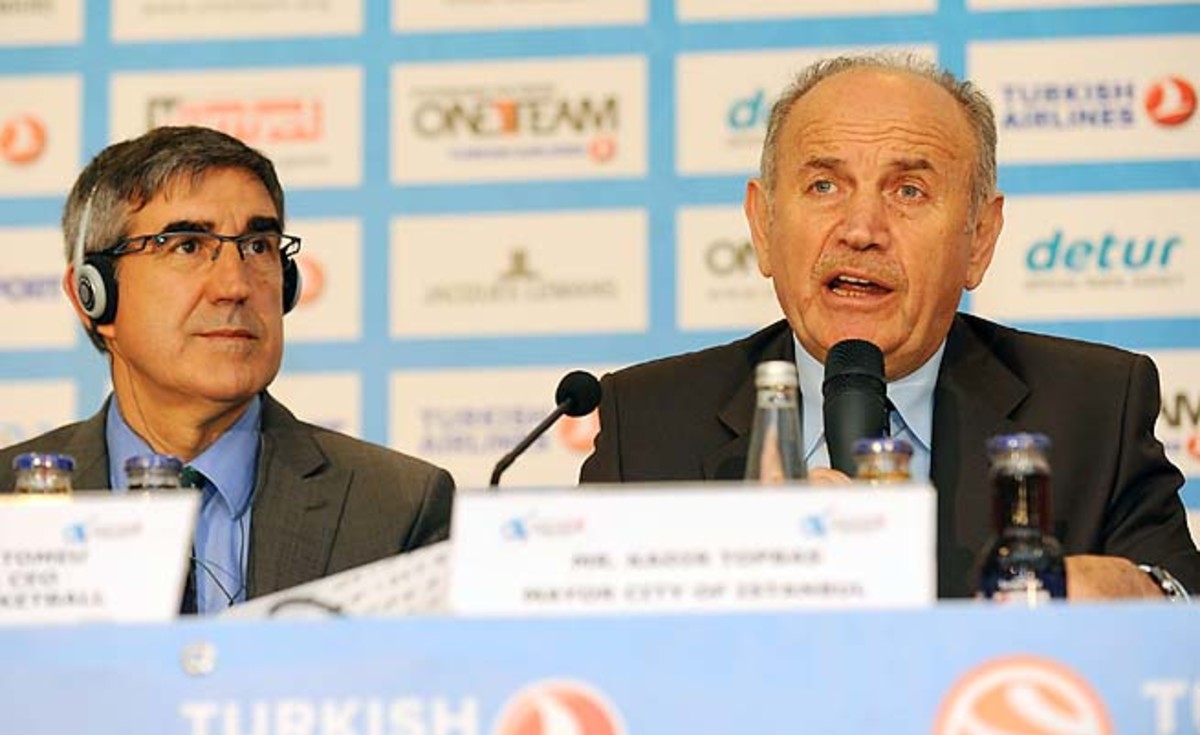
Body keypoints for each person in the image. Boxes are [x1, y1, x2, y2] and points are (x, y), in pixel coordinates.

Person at [580, 53, 1199, 600]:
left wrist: (1143, 595)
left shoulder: (1094, 408)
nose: (861, 230)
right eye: (824, 185)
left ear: (980, 238)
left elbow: (1181, 617)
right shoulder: (647, 421)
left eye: (908, 191)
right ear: (763, 225)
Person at [0, 126, 454, 614]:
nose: (235, 286)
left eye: (258, 246)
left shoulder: (397, 509)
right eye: (187, 246)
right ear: (93, 295)